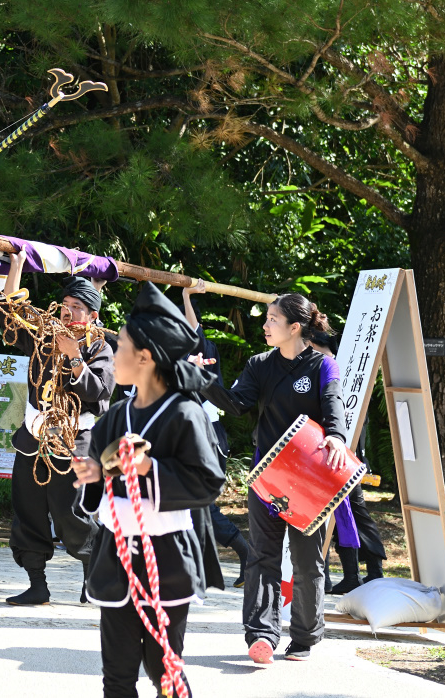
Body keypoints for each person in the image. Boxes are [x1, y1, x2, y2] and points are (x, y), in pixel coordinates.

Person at [73, 282, 225, 698]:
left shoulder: (185, 413)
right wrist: (93, 474)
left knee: (164, 669)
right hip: (117, 553)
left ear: (144, 357)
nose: (112, 349)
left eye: (119, 344)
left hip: (167, 555)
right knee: (117, 673)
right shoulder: (117, 415)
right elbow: (103, 475)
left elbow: (208, 481)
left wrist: (147, 467)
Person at [196, 293, 345, 663]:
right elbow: (234, 404)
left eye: (272, 319)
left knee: (308, 559)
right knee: (263, 556)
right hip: (268, 477)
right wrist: (201, 378)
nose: (265, 325)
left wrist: (337, 437)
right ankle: (261, 634)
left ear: (295, 327)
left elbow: (333, 406)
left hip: (310, 481)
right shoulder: (259, 364)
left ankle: (305, 636)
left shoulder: (323, 366)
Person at [0, 253, 116, 606]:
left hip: (74, 443)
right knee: (28, 511)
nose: (67, 311)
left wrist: (75, 357)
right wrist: (16, 266)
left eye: (77, 307)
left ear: (92, 316)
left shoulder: (100, 347)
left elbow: (100, 390)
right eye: (65, 305)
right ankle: (37, 584)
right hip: (34, 439)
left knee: (72, 514)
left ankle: (92, 579)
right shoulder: (44, 337)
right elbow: (11, 315)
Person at [305, 328, 386, 593]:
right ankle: (348, 575)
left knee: (350, 515)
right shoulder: (327, 367)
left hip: (343, 456)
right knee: (336, 516)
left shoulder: (332, 368)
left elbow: (351, 416)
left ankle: (367, 573)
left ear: (313, 344)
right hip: (333, 454)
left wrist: (357, 456)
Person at [182, 282, 250, 588]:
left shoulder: (203, 350)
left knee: (199, 505)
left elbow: (194, 330)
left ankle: (246, 553)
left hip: (207, 437)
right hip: (190, 438)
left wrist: (186, 296)